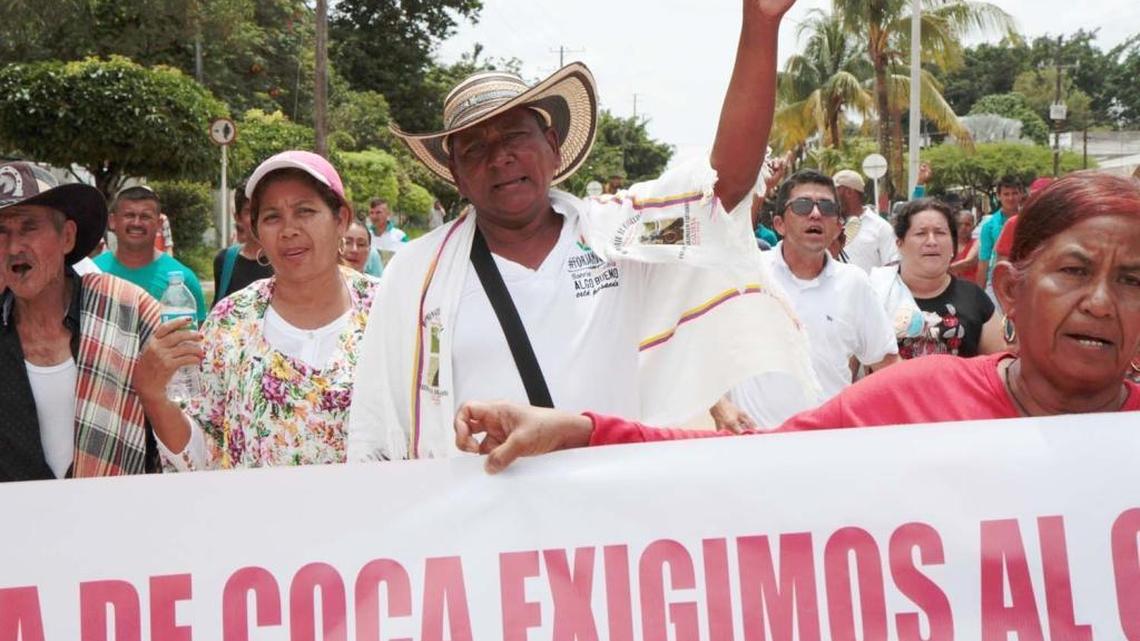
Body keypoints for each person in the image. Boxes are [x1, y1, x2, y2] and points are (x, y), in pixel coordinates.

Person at [348, 0, 814, 462]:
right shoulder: (417, 275)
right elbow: (375, 425)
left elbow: (723, 189)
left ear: (551, 146)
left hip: (610, 504)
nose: (500, 157)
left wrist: (760, 23)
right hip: (479, 507)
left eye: (514, 136)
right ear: (457, 175)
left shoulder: (622, 237)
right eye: (475, 148)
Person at [450, 171, 1140, 473]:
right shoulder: (920, 399)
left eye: (1132, 279)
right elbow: (750, 461)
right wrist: (581, 430)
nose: (1102, 302)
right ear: (1010, 291)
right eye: (1075, 271)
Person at [138, 151, 381, 470]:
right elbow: (203, 457)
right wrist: (155, 397)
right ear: (256, 232)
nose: (289, 230)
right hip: (250, 505)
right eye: (272, 217)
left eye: (305, 211)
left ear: (341, 219)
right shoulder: (231, 322)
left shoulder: (386, 312)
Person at [0, 161, 164, 481]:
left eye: (29, 227)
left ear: (67, 237)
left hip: (116, 508)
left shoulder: (128, 311)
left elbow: (177, 431)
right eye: (1, 232)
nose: (14, 246)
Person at [727, 170, 898, 427]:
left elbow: (887, 364)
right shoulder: (746, 274)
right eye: (802, 205)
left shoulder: (854, 283)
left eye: (827, 207)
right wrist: (721, 408)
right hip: (755, 439)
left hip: (829, 440)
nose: (816, 214)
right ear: (779, 224)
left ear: (838, 226)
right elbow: (702, 347)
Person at [869, 198, 1003, 359]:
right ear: (899, 243)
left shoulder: (974, 297)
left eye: (940, 233)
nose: (932, 241)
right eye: (920, 233)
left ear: (952, 244)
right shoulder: (874, 294)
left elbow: (999, 364)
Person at [94, 186, 206, 322]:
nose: (136, 223)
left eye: (145, 217)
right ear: (112, 221)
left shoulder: (182, 281)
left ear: (159, 224)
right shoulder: (91, 272)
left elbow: (198, 332)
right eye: (129, 215)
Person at [211, 184, 274, 308]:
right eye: (249, 211)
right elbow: (219, 309)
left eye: (264, 209)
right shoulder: (225, 260)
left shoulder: (286, 259)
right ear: (237, 217)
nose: (257, 218)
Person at [832, 169, 898, 272]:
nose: (830, 197)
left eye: (834, 191)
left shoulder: (881, 227)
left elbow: (892, 266)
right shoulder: (831, 225)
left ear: (849, 192)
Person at [977, 176, 1023, 293]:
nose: (1011, 198)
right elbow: (984, 261)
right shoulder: (989, 226)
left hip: (1025, 280)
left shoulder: (1030, 220)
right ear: (998, 196)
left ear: (1021, 194)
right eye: (1006, 194)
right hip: (998, 283)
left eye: (1014, 193)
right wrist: (978, 296)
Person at [367, 197, 407, 263]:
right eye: (371, 213)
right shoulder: (366, 235)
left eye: (378, 212)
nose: (374, 216)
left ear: (388, 214)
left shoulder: (400, 236)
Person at [949, 210, 979, 282]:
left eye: (967, 224)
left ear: (973, 226)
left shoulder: (978, 243)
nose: (963, 227)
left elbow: (967, 263)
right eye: (959, 224)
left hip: (971, 286)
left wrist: (939, 271)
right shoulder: (948, 244)